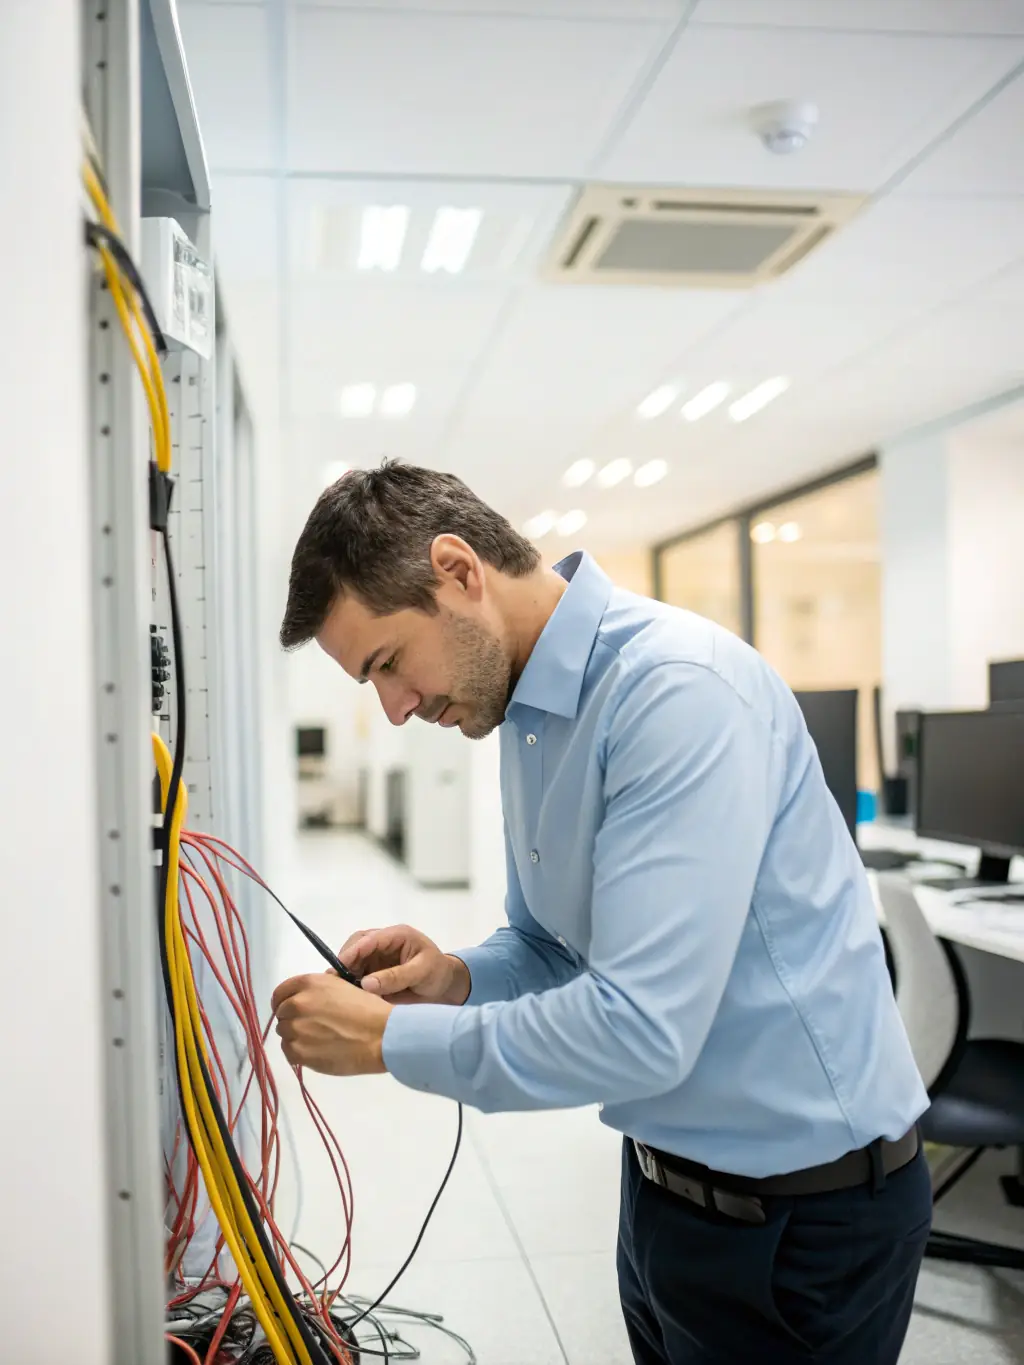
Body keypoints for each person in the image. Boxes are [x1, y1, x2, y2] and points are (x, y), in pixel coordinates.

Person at [271, 460, 932, 1364]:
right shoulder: (527, 711)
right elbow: (554, 946)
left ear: (460, 572)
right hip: (665, 1188)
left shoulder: (678, 693)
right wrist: (457, 978)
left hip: (802, 1220)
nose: (394, 708)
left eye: (387, 663)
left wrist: (385, 1042)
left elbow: (641, 1028)